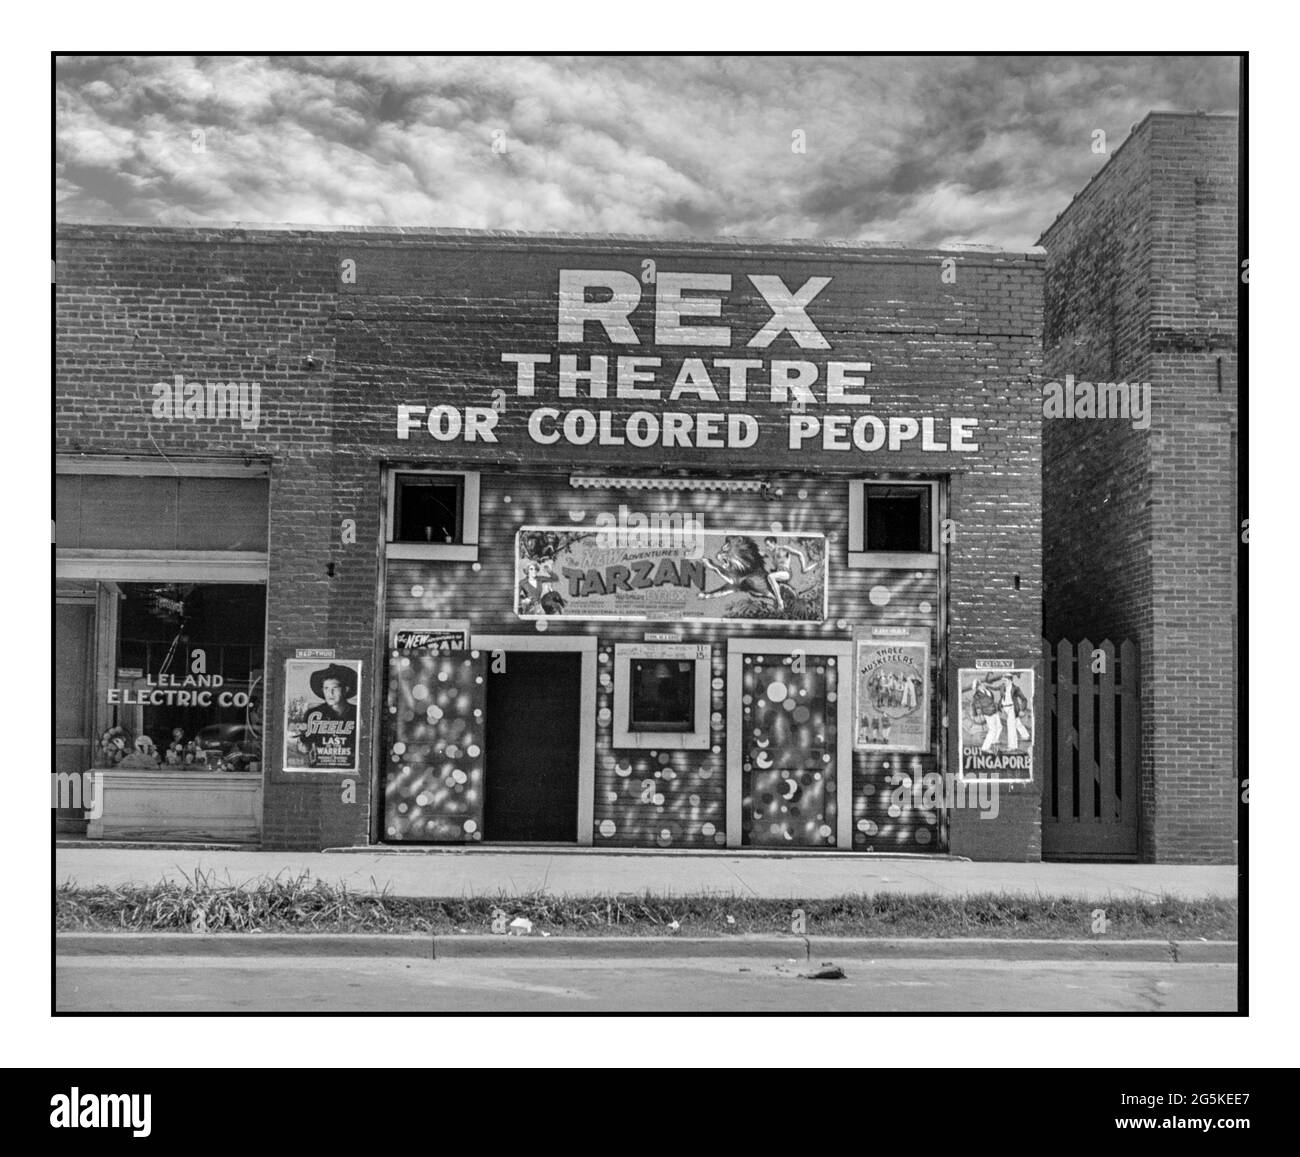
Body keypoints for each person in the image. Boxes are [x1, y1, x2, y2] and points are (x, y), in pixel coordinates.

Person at [299, 663, 358, 767]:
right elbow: (305, 745)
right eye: (326, 688)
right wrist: (304, 747)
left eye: (334, 688)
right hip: (320, 770)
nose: (330, 693)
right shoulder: (313, 714)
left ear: (346, 689)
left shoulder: (357, 713)